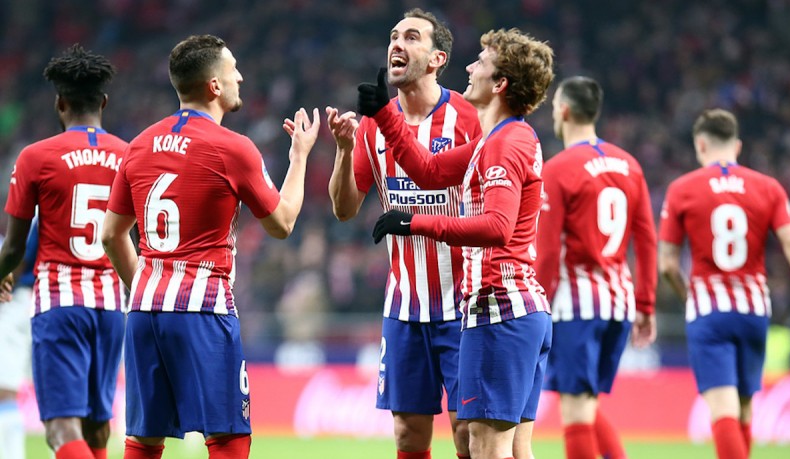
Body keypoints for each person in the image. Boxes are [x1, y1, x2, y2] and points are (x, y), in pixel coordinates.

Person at [100, 34, 320, 459]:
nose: (240, 75)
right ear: (214, 85)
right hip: (203, 310)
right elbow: (283, 223)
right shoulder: (233, 148)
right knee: (228, 437)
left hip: (144, 313)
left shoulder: (139, 144)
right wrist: (299, 157)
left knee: (143, 440)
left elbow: (111, 234)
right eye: (233, 68)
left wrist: (145, 288)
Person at [360, 28, 554, 459]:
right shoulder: (499, 139)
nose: (469, 67)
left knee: (485, 449)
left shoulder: (504, 144)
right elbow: (428, 170)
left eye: (481, 62)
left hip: (499, 309)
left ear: (500, 83)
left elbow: (497, 226)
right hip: (521, 309)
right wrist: (385, 117)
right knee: (515, 449)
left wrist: (416, 223)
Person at [326, 8, 480, 459]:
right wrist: (342, 149)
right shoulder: (373, 122)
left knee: (469, 436)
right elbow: (344, 208)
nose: (397, 43)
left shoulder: (467, 118)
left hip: (464, 304)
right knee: (408, 437)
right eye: (393, 36)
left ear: (437, 58)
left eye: (411, 37)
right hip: (405, 306)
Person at [0, 45, 126, 459]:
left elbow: (15, 245)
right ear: (104, 102)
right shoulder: (130, 156)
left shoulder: (36, 157)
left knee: (59, 429)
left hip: (59, 302)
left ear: (60, 103)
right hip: (112, 306)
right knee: (97, 427)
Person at [658, 109, 790, 459]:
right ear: (737, 145)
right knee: (745, 409)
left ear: (700, 144)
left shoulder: (682, 189)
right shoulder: (768, 187)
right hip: (754, 311)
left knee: (722, 411)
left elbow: (667, 265)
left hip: (710, 311)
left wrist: (688, 295)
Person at [534, 76, 658, 459]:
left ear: (565, 111)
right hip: (618, 305)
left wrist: (536, 303)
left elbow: (549, 251)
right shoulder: (629, 165)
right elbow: (646, 240)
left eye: (555, 107)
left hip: (577, 305)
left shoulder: (559, 169)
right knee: (586, 404)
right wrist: (646, 305)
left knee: (575, 411)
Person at [0, 218, 37, 459]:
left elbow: (18, 256)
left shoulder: (34, 203)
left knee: (5, 391)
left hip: (16, 301)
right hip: (31, 300)